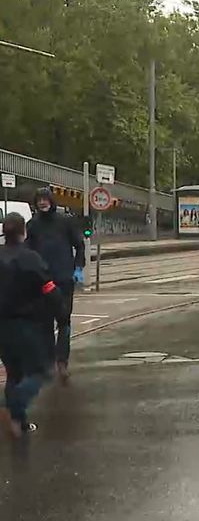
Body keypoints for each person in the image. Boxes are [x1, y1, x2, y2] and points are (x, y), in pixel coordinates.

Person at [0, 212, 64, 437]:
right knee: (41, 371)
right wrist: (61, 314)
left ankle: (19, 423)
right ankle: (15, 407)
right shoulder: (30, 259)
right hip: (27, 325)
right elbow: (49, 290)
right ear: (22, 232)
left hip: (2, 325)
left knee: (13, 373)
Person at [25, 186, 85, 378]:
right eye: (39, 200)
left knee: (64, 322)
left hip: (64, 280)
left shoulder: (65, 222)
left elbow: (79, 245)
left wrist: (78, 268)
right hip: (42, 281)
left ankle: (62, 362)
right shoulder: (32, 225)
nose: (42, 202)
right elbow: (29, 250)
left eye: (45, 199)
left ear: (51, 201)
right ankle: (49, 361)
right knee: (44, 324)